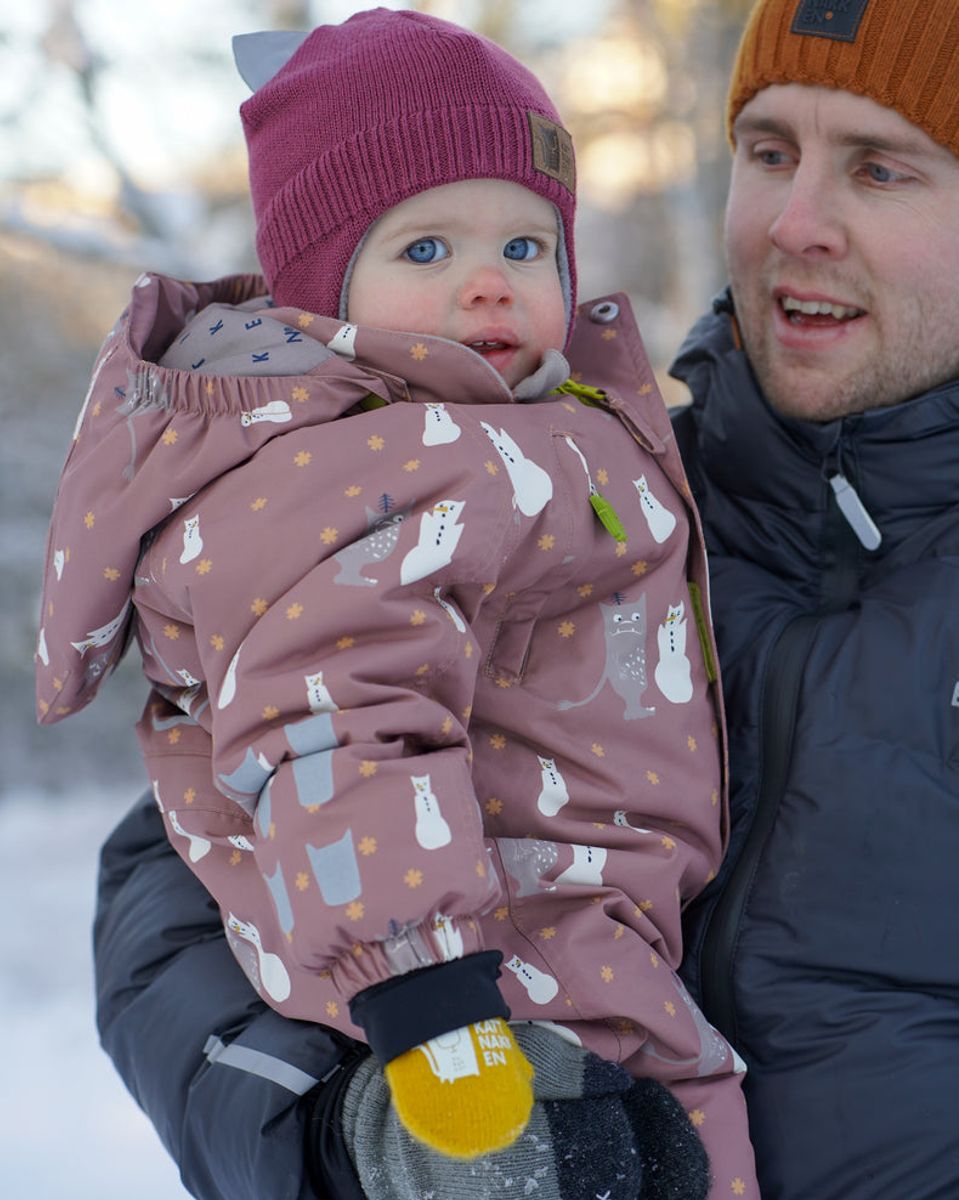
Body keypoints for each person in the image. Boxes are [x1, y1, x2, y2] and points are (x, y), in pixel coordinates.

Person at [39, 9, 758, 1199]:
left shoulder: (517, 431)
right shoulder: (376, 463)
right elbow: (332, 726)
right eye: (424, 250)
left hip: (574, 926)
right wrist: (431, 1004)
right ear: (326, 286)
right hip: (491, 961)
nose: (490, 279)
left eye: (527, 247)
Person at [672, 1, 959, 1197]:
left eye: (879, 168)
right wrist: (349, 1127)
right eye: (768, 151)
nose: (794, 226)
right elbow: (191, 877)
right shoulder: (574, 503)